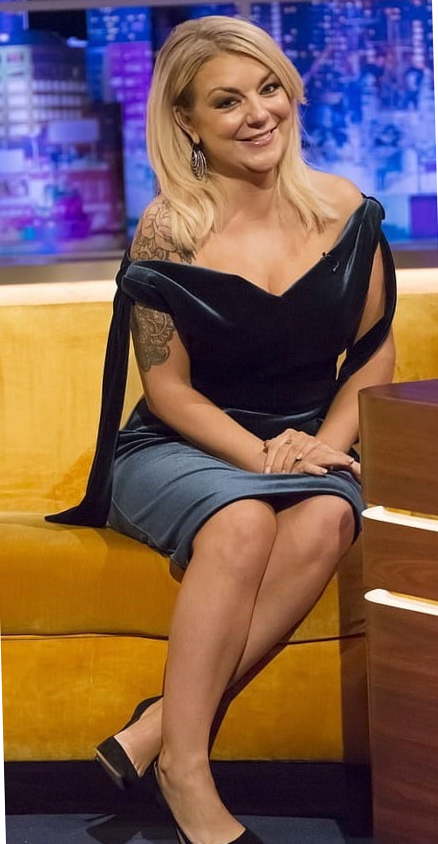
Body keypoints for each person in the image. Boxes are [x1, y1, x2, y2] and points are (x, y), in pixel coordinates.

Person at [46, 14, 396, 844]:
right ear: (188, 123)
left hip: (308, 441)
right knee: (241, 520)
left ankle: (157, 727)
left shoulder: (349, 210)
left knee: (328, 512)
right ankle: (185, 768)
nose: (258, 113)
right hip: (181, 446)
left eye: (268, 88)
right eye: (227, 101)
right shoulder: (171, 228)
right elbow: (167, 392)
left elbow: (373, 353)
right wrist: (266, 459)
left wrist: (325, 448)